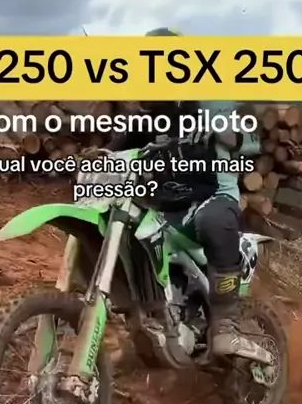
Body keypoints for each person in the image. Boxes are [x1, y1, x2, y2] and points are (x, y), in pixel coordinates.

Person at [108, 27, 263, 361]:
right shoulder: (149, 116)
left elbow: (251, 140)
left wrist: (225, 134)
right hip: (167, 210)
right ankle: (148, 321)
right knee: (130, 231)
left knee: (213, 221)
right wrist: (94, 160)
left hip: (213, 199)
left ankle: (225, 325)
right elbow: (113, 154)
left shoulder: (209, 101)